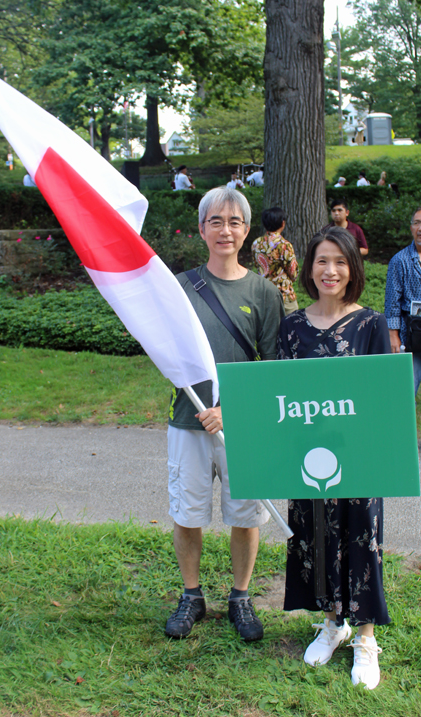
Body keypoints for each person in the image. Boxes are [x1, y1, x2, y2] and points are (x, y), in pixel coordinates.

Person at [165, 186, 284, 642]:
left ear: (247, 230)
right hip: (188, 420)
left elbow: (271, 368)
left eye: (234, 222)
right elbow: (165, 350)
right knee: (188, 512)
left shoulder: (264, 292)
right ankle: (191, 595)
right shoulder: (179, 287)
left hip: (244, 425)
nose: (225, 230)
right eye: (216, 221)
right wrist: (206, 408)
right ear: (201, 229)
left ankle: (240, 596)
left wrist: (229, 410)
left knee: (245, 514)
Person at [278, 226, 390, 690]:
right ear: (309, 268)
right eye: (322, 261)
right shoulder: (292, 326)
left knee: (361, 534)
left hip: (358, 456)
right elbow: (279, 394)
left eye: (340, 262)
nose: (331, 270)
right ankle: (332, 622)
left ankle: (364, 637)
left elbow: (383, 398)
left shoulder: (371, 324)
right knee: (317, 533)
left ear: (353, 269)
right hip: (309, 456)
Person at [385, 206, 421, 396]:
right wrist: (393, 335)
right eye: (417, 223)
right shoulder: (399, 260)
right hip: (412, 333)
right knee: (406, 389)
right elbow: (392, 301)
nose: (420, 228)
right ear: (411, 228)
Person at [252, 207, 299, 315]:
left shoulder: (256, 244)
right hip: (283, 294)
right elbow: (293, 272)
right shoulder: (285, 245)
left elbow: (257, 264)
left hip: (263, 293)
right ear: (283, 223)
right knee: (292, 323)